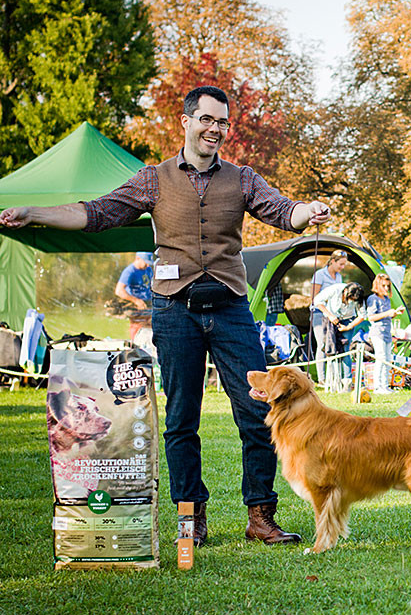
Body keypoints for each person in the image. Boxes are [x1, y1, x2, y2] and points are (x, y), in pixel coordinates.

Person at [0, 85, 330, 546]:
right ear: (187, 121)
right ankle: (191, 517)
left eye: (222, 123)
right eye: (207, 120)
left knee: (258, 414)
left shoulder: (242, 178)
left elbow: (281, 211)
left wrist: (305, 212)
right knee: (181, 419)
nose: (215, 129)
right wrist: (35, 212)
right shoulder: (154, 178)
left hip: (232, 308)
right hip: (174, 310)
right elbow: (97, 213)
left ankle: (261, 516)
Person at [313, 281, 367, 391]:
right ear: (346, 291)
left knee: (345, 350)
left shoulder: (358, 298)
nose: (351, 302)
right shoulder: (335, 289)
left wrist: (349, 327)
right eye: (350, 298)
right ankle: (330, 380)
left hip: (348, 321)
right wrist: (330, 315)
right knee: (330, 348)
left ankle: (347, 381)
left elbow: (362, 315)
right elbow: (317, 301)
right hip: (330, 319)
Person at [311, 249, 349, 384]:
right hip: (319, 313)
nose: (342, 267)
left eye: (344, 265)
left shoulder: (338, 277)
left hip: (333, 315)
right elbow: (314, 298)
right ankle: (322, 379)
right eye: (341, 264)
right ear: (333, 261)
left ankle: (333, 377)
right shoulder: (320, 275)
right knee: (322, 344)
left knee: (332, 343)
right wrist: (327, 311)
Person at [365, 273, 404, 394]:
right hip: (378, 333)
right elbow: (371, 317)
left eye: (388, 286)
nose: (386, 288)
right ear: (378, 285)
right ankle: (377, 386)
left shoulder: (386, 299)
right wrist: (388, 313)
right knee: (380, 358)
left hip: (387, 332)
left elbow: (386, 316)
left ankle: (385, 385)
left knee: (387, 359)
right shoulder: (373, 299)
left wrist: (395, 313)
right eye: (384, 286)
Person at [115, 251, 154, 340]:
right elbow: (119, 291)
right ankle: (137, 346)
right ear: (137, 259)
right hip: (137, 307)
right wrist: (136, 301)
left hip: (148, 304)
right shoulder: (129, 271)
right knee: (138, 328)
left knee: (151, 328)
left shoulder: (148, 269)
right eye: (146, 262)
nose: (147, 265)